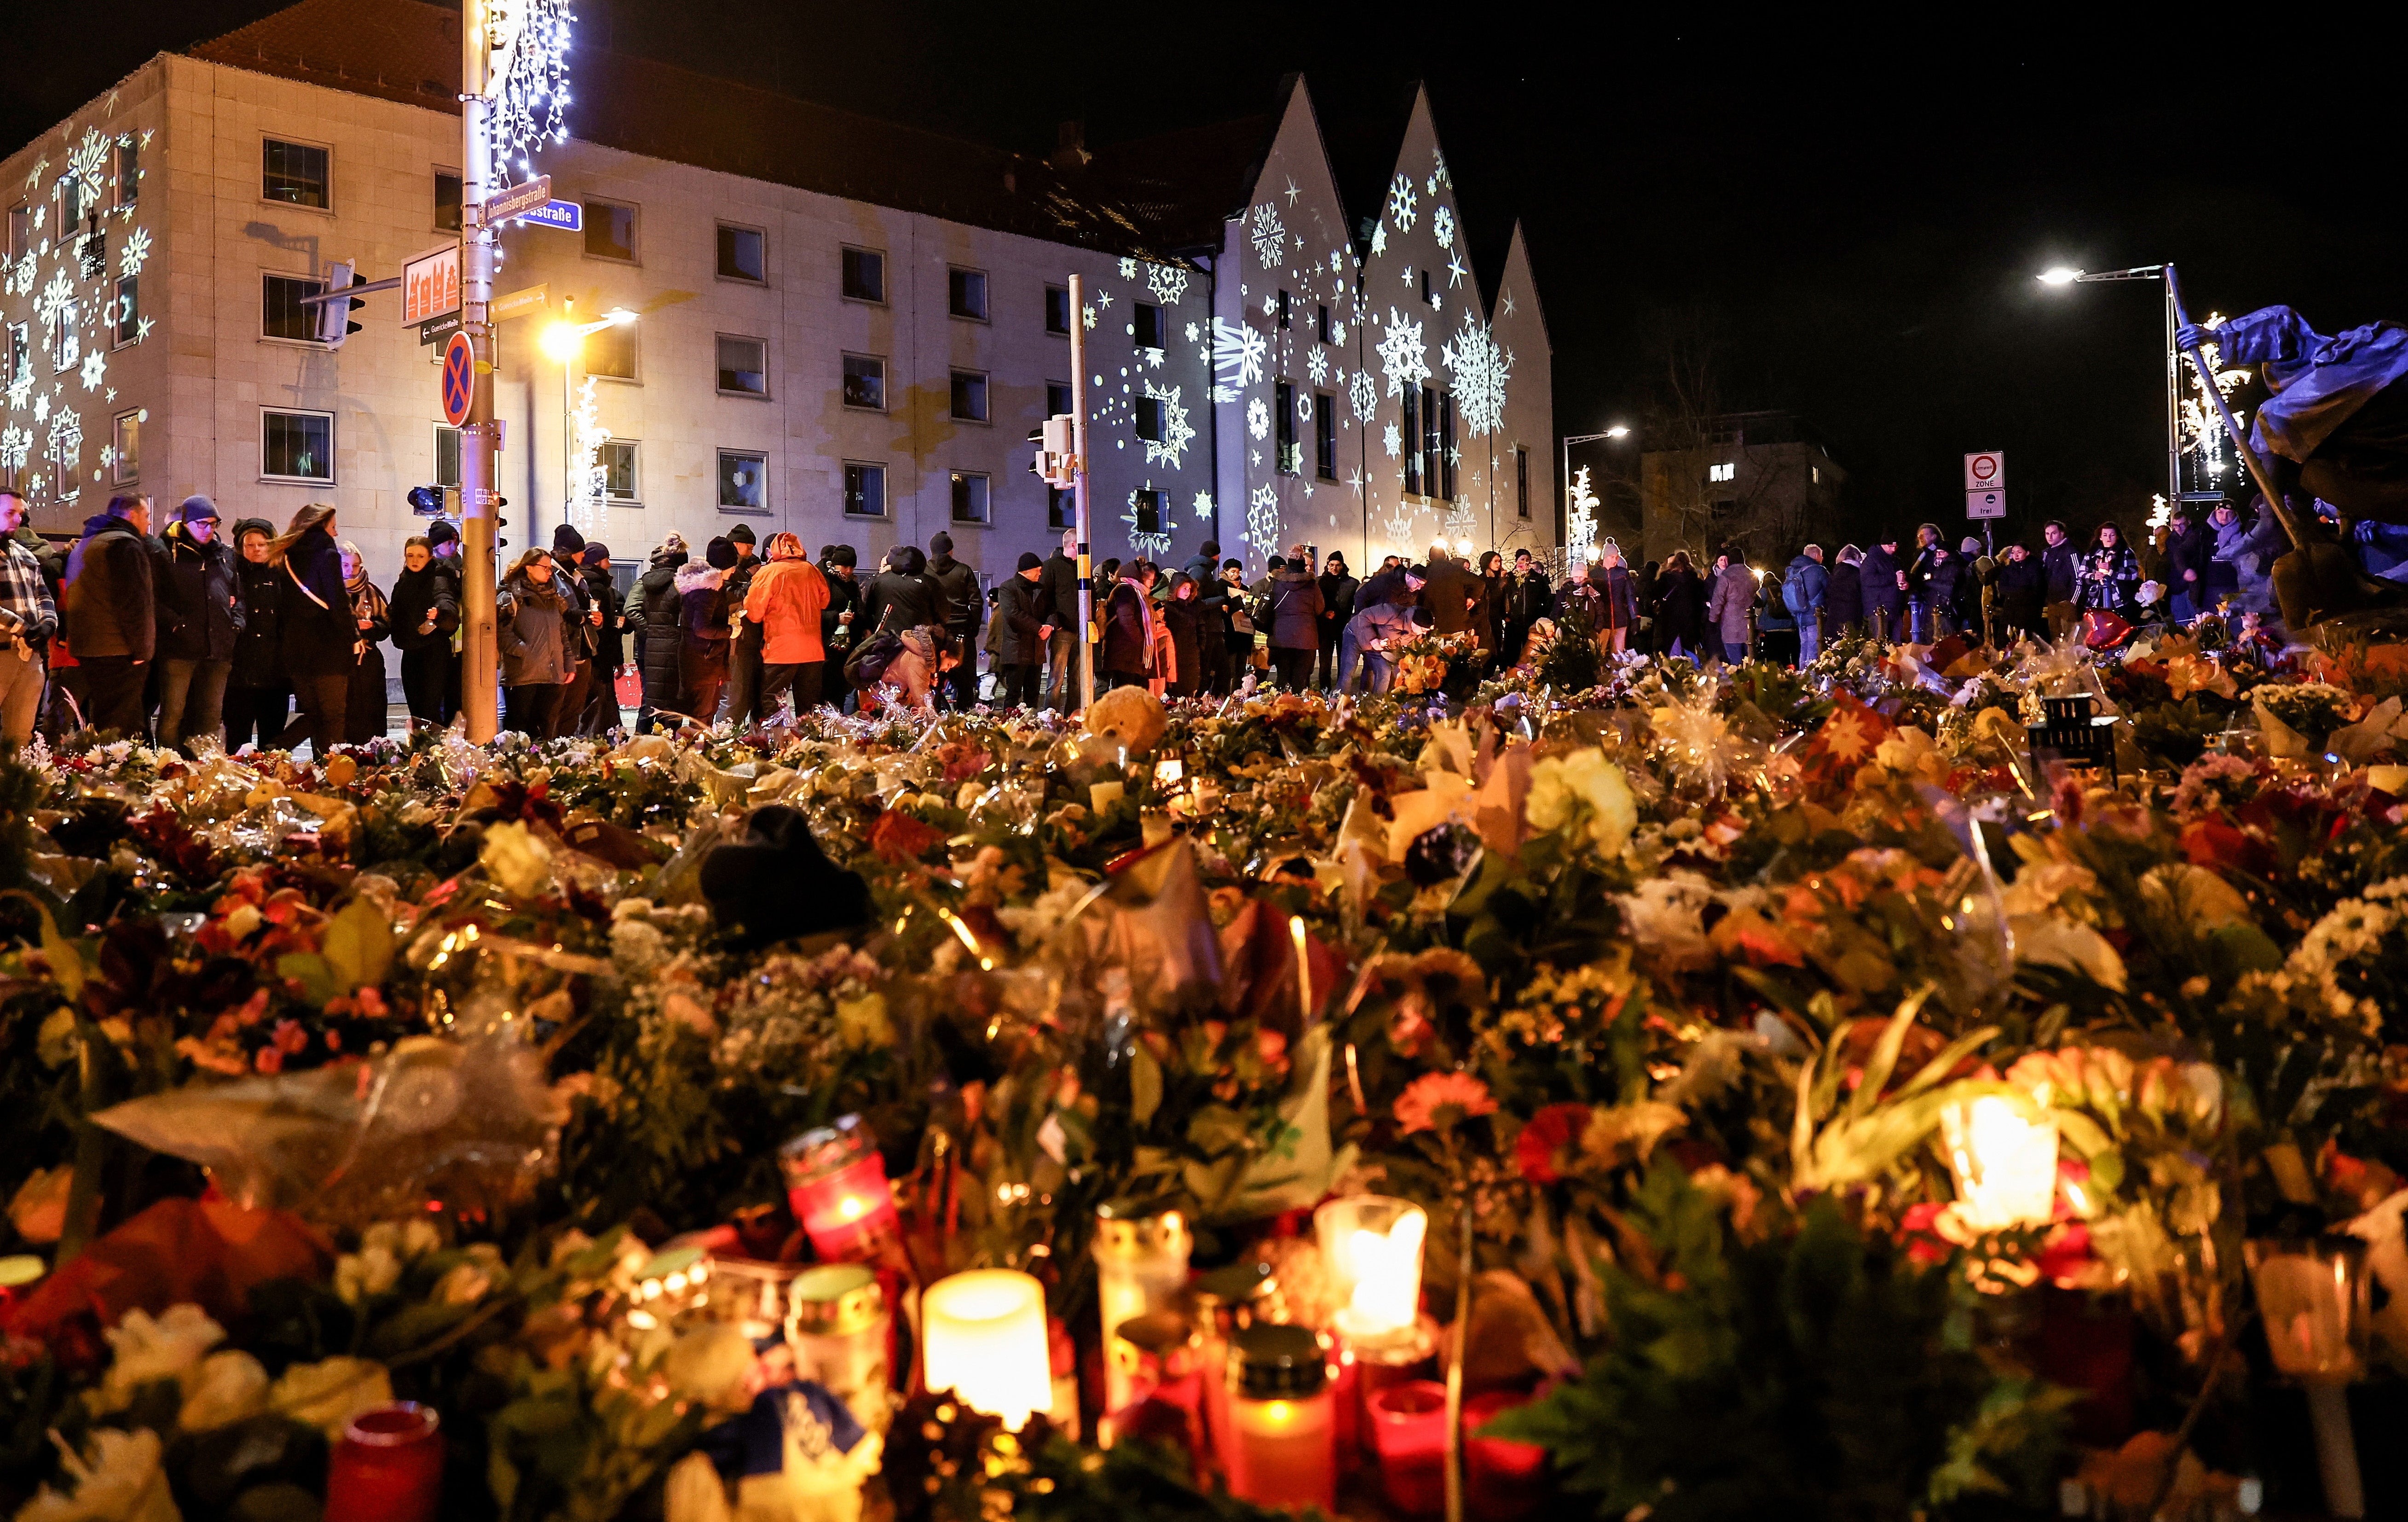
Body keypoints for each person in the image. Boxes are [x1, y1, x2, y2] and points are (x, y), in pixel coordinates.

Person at [62, 492, 158, 737]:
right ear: (131, 515)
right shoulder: (124, 544)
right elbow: (133, 602)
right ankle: (116, 774)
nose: (149, 522)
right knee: (120, 727)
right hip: (118, 649)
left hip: (89, 647)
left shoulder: (87, 544)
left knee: (103, 721)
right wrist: (143, 650)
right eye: (146, 516)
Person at [154, 495, 243, 752]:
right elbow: (156, 597)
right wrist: (177, 626)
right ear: (186, 523)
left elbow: (238, 595)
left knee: (211, 714)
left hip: (218, 648)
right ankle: (168, 765)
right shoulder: (166, 551)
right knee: (173, 712)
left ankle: (206, 769)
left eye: (214, 524)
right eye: (202, 524)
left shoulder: (224, 555)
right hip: (180, 648)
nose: (208, 530)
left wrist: (235, 625)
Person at [268, 504, 352, 755]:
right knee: (335, 715)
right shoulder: (327, 554)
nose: (336, 534)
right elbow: (338, 601)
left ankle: (277, 748)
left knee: (315, 714)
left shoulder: (286, 555)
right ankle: (333, 771)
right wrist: (354, 636)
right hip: (328, 648)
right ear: (320, 525)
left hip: (296, 650)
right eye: (334, 528)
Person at [742, 532, 832, 717]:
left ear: (771, 551)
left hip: (780, 650)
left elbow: (754, 613)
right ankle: (809, 744)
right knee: (809, 707)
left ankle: (777, 743)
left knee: (773, 705)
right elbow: (825, 602)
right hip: (813, 650)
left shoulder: (768, 572)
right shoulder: (811, 570)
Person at [0, 490, 57, 749]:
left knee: (21, 736)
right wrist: (24, 628)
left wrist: (48, 624)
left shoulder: (24, 555)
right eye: (10, 513)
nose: (17, 520)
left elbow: (43, 595)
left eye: (20, 514)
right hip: (4, 652)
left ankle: (17, 787)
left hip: (29, 655)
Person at [497, 548, 574, 735]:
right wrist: (526, 651)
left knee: (545, 729)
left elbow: (562, 633)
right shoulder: (512, 596)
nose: (550, 573)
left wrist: (569, 663)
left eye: (551, 569)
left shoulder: (552, 597)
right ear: (529, 567)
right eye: (545, 568)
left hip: (552, 673)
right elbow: (502, 633)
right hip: (523, 675)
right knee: (519, 730)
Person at [225, 518, 288, 750]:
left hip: (275, 674)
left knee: (272, 741)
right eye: (250, 545)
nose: (257, 550)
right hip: (239, 674)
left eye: (262, 544)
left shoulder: (283, 575)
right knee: (237, 739)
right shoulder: (232, 575)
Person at [389, 535, 461, 729]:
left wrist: (440, 615)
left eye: (420, 556)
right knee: (416, 710)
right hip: (411, 650)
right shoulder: (405, 579)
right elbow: (395, 611)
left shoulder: (438, 577)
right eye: (410, 555)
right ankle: (420, 753)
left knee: (430, 710)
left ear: (430, 557)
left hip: (433, 653)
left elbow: (446, 602)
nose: (414, 560)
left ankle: (432, 753)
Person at [677, 538, 739, 723]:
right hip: (702, 662)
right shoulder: (708, 591)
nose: (735, 570)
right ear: (724, 565)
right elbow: (702, 628)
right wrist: (730, 631)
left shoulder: (710, 587)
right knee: (702, 716)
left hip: (703, 660)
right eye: (732, 565)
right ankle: (696, 751)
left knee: (705, 713)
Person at [633, 533, 689, 732]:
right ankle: (670, 744)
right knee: (674, 700)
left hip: (652, 645)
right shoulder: (680, 586)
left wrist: (652, 632)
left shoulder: (647, 583)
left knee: (652, 698)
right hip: (675, 645)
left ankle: (643, 741)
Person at [339, 540, 390, 743]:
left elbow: (387, 624)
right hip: (342, 661)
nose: (351, 571)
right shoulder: (329, 591)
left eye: (355, 565)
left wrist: (374, 627)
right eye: (345, 565)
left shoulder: (371, 591)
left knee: (372, 710)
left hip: (369, 661)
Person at [925, 531, 983, 712]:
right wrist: (972, 628)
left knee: (933, 683)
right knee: (965, 684)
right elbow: (976, 602)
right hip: (962, 632)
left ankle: (934, 720)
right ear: (951, 551)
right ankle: (964, 722)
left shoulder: (924, 572)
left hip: (935, 634)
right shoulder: (963, 571)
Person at [549, 523, 596, 737]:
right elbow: (559, 613)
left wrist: (597, 618)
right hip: (562, 653)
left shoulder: (577, 577)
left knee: (573, 710)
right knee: (556, 708)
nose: (583, 556)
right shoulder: (552, 576)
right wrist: (581, 616)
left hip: (583, 651)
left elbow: (584, 609)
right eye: (580, 552)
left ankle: (567, 749)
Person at [1339, 574, 1418, 693]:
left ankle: (1375, 704)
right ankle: (1338, 702)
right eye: (1419, 583)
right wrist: (1367, 631)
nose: (1420, 587)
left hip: (1379, 638)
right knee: (1348, 669)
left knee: (1383, 670)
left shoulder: (1411, 597)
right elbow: (1362, 606)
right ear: (1410, 577)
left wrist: (1387, 643)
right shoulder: (1387, 585)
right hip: (1358, 631)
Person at [576, 543, 624, 733]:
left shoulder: (586, 583)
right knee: (596, 708)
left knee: (598, 707)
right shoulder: (597, 587)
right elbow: (604, 629)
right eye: (607, 559)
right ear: (597, 561)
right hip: (598, 656)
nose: (610, 564)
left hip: (594, 656)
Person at [989, 552, 1047, 707]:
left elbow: (1050, 610)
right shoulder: (1008, 588)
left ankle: (1032, 725)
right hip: (1017, 650)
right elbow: (1013, 615)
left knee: (1033, 693)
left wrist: (1050, 625)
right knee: (1014, 693)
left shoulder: (1040, 589)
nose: (1040, 573)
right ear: (1027, 570)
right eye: (1037, 570)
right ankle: (1010, 726)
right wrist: (1039, 628)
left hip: (1036, 651)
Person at [721, 523, 764, 724]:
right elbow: (728, 597)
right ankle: (725, 738)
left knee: (743, 698)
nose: (751, 551)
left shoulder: (740, 571)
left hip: (747, 643)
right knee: (734, 699)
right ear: (737, 544)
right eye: (749, 546)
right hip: (736, 644)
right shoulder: (726, 570)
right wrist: (751, 588)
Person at [1038, 529, 1081, 710]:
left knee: (1078, 680)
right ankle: (1052, 718)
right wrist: (1056, 623)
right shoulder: (1052, 566)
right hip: (1063, 631)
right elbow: (1044, 598)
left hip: (1081, 631)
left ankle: (1073, 718)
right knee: (1056, 679)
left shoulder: (1082, 567)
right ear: (1073, 545)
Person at [1266, 552, 1323, 689]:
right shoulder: (1312, 585)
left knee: (1282, 678)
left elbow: (1270, 607)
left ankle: (1280, 707)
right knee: (1300, 679)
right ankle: (1298, 706)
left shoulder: (1277, 584)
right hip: (1306, 638)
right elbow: (1320, 608)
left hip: (1281, 638)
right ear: (1303, 566)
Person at [1099, 561, 1156, 691]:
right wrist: (1141, 642)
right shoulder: (1126, 590)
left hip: (1131, 654)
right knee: (1126, 692)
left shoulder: (1137, 593)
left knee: (1136, 692)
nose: (1152, 584)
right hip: (1125, 653)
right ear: (1140, 578)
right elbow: (1126, 619)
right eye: (1149, 579)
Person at [1904, 524, 1957, 642]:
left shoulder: (1939, 553)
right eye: (1919, 535)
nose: (1920, 538)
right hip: (1925, 598)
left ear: (1934, 536)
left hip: (1937, 600)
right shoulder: (1921, 553)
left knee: (1936, 633)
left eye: (1924, 535)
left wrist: (1926, 581)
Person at [1161, 573, 1207, 699]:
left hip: (1191, 654)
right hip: (1173, 654)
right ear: (1176, 589)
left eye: (1189, 589)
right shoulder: (1166, 608)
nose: (1187, 592)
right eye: (1184, 589)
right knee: (1174, 691)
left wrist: (1200, 647)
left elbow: (1201, 629)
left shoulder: (1194, 608)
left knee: (1189, 690)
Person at [1418, 546, 1481, 636]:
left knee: (1436, 649)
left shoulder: (1425, 573)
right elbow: (1479, 583)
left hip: (1435, 623)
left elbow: (1419, 599)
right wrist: (1472, 599)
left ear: (1430, 558)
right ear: (1445, 557)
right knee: (1458, 648)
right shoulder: (1457, 571)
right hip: (1458, 622)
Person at [2163, 507, 2212, 623]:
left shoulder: (2197, 536)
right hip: (2177, 585)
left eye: (2182, 525)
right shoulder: (2171, 540)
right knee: (2181, 622)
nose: (2178, 529)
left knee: (2197, 620)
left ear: (2189, 522)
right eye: (2175, 526)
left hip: (2193, 585)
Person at [2080, 522, 2140, 617]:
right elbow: (2081, 574)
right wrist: (2093, 576)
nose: (2108, 538)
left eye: (2112, 535)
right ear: (2100, 537)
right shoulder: (2092, 554)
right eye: (2105, 535)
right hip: (2095, 599)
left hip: (2120, 600)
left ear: (2117, 537)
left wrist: (2112, 571)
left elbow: (2133, 574)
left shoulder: (2126, 552)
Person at [1317, 552, 1358, 688]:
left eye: (1338, 565)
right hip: (1325, 628)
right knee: (1325, 665)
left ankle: (1341, 692)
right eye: (1332, 565)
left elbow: (1356, 605)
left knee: (1344, 663)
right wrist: (1324, 614)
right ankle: (1324, 692)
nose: (1334, 568)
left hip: (1343, 628)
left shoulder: (1352, 583)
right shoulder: (1319, 583)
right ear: (1327, 565)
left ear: (1343, 566)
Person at [1705, 554, 1755, 663]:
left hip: (1731, 627)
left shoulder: (1726, 577)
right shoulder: (1752, 575)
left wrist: (1712, 620)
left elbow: (1718, 601)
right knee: (1751, 661)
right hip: (1750, 626)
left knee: (1736, 662)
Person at [1784, 544, 1830, 663]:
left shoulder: (1793, 571)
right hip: (1815, 617)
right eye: (1821, 555)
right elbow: (1831, 590)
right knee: (1814, 650)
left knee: (1803, 649)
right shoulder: (1819, 570)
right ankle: (1812, 678)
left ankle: (1802, 676)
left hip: (1799, 617)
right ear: (1815, 555)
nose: (1822, 558)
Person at [1654, 550, 1704, 661]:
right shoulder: (1695, 581)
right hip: (1690, 620)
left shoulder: (1665, 579)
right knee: (1689, 650)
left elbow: (1656, 594)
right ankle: (1691, 673)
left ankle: (1669, 672)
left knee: (1669, 649)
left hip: (1670, 620)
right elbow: (1701, 600)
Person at [1859, 532, 1905, 642]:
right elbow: (1868, 580)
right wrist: (1894, 578)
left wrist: (1904, 585)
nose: (1894, 549)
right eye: (1891, 546)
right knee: (1880, 645)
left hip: (1895, 609)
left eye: (1896, 546)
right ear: (1883, 545)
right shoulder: (1871, 560)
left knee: (1895, 646)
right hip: (1878, 610)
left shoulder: (1895, 560)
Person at [1995, 541, 2045, 642]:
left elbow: (2037, 588)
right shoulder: (2008, 569)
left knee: (2026, 637)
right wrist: (2018, 591)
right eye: (2013, 553)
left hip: (2029, 609)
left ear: (2027, 553)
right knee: (2007, 635)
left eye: (2019, 552)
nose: (2016, 555)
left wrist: (2024, 593)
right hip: (2011, 607)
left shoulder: (2035, 567)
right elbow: (2003, 587)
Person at [2039, 521, 2081, 639]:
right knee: (2056, 639)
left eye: (2054, 533)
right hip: (2053, 602)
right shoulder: (2048, 553)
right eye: (2047, 534)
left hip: (2067, 602)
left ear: (2062, 534)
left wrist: (2072, 601)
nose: (2050, 537)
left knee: (2070, 638)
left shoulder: (2070, 551)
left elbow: (2078, 577)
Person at [1755, 566, 1795, 666]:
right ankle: (1787, 677)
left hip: (1770, 630)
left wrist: (1758, 626)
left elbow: (1758, 610)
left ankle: (1775, 678)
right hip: (1788, 629)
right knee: (1785, 658)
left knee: (1772, 659)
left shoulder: (1763, 592)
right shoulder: (1784, 590)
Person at [1826, 546, 1863, 639]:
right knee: (1851, 644)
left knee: (1835, 645)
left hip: (1834, 614)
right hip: (1853, 613)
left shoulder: (1835, 572)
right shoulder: (1859, 573)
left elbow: (1828, 592)